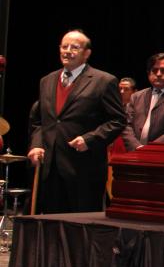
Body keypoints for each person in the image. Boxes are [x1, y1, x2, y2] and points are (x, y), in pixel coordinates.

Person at [27, 30, 126, 213]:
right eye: (64, 46)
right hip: (50, 169)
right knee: (51, 227)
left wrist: (89, 139)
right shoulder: (47, 81)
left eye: (75, 47)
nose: (68, 51)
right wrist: (36, 144)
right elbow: (39, 120)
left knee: (80, 232)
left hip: (83, 170)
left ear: (87, 53)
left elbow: (118, 120)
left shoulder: (103, 81)